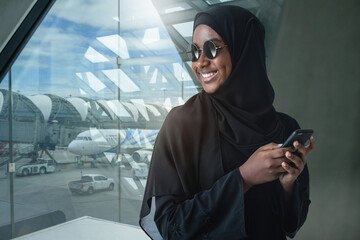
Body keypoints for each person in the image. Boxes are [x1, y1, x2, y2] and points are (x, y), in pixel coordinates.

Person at [139, 5, 315, 240]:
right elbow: (171, 228)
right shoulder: (182, 124)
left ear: (245, 50)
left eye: (211, 49)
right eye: (194, 51)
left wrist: (288, 184)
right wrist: (243, 178)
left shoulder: (284, 127)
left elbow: (292, 225)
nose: (200, 63)